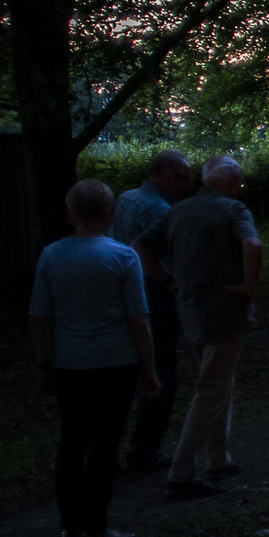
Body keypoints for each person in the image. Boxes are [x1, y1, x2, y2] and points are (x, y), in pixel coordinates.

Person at [29, 180, 160, 537]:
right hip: (115, 363)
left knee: (71, 442)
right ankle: (96, 525)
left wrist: (44, 365)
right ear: (111, 213)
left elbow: (39, 317)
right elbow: (138, 319)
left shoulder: (52, 256)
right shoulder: (122, 256)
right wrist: (149, 370)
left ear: (70, 214)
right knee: (104, 445)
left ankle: (70, 525)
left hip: (70, 363)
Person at [135, 155, 262, 500]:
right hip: (225, 312)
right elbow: (252, 244)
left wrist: (166, 279)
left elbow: (140, 247)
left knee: (219, 382)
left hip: (190, 312)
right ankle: (182, 472)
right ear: (233, 182)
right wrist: (248, 288)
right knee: (210, 388)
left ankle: (218, 459)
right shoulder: (234, 211)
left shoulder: (177, 210)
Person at [112, 149, 192, 474]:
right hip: (152, 300)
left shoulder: (126, 199)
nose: (189, 185)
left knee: (124, 376)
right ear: (170, 177)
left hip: (119, 299)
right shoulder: (163, 210)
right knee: (160, 376)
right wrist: (170, 280)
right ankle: (144, 453)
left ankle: (105, 455)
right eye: (186, 178)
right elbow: (148, 253)